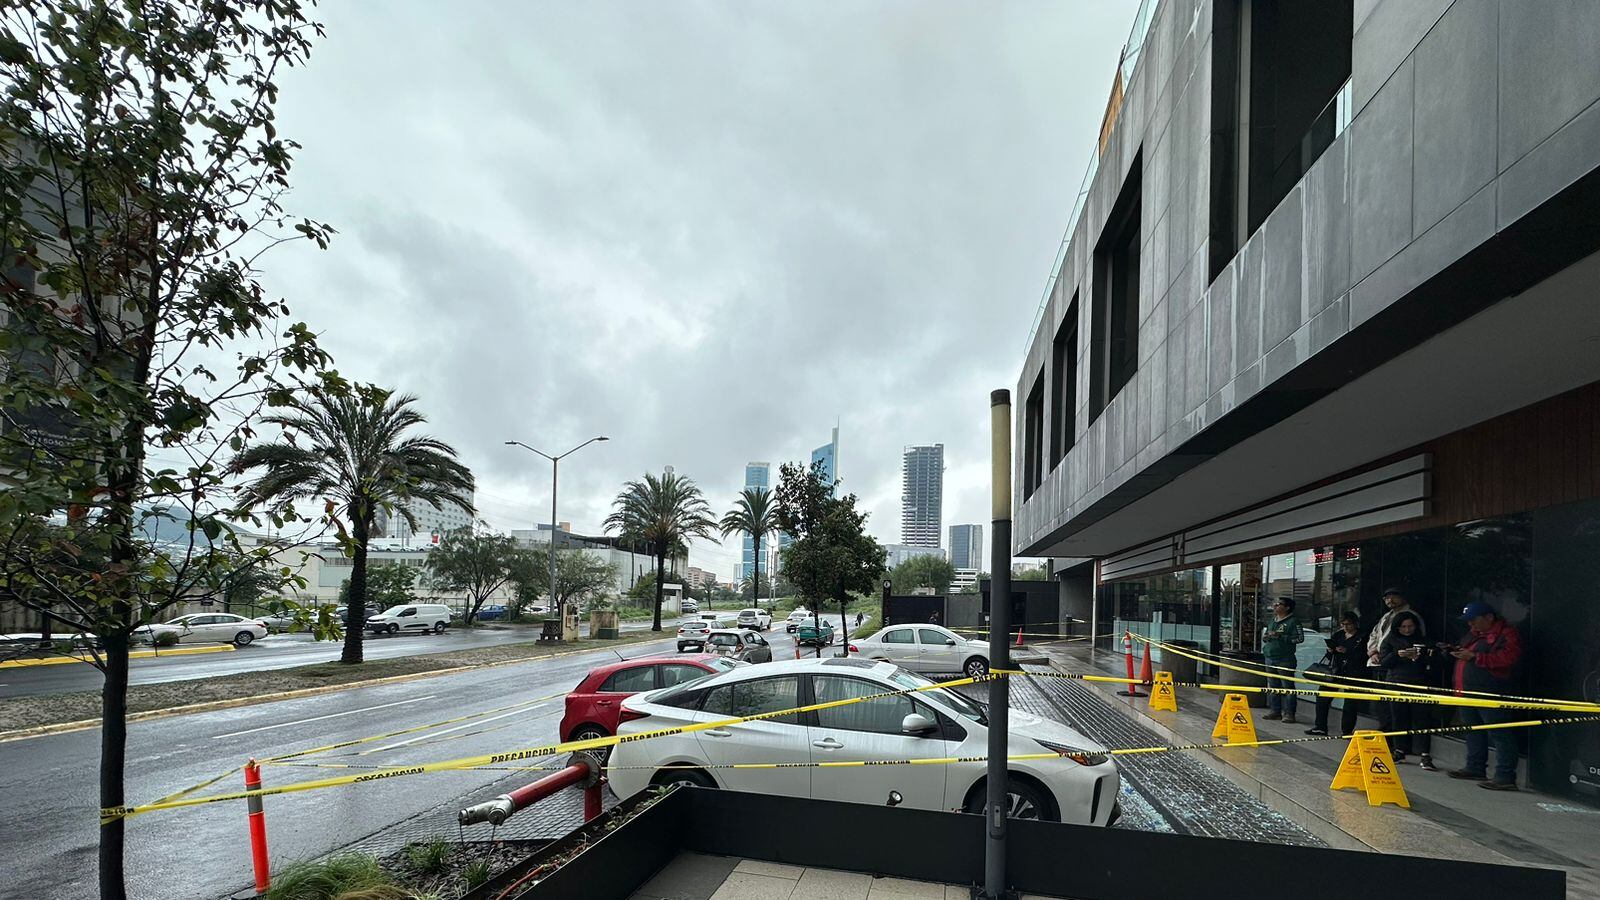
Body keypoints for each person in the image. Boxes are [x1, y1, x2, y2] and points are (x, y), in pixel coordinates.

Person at [1446, 601, 1525, 790]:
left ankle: (1505, 776)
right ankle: (1475, 767)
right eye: (1468, 621)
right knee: (1472, 730)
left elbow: (1508, 659)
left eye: (1474, 620)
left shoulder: (1506, 634)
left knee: (1500, 733)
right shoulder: (1474, 635)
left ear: (1489, 617)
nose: (1470, 625)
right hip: (1466, 690)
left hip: (1490, 691)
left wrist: (1475, 657)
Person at [1378, 611, 1438, 769]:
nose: (1407, 630)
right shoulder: (1390, 640)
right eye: (1403, 627)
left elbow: (1435, 660)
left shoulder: (1423, 640)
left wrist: (1420, 656)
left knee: (1422, 719)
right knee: (1398, 718)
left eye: (1410, 626)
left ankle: (1425, 754)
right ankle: (1399, 750)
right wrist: (1398, 655)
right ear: (1397, 627)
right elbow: (1384, 662)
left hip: (1419, 683)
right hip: (1396, 683)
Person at [1366, 588, 1424, 731]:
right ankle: (1385, 733)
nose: (1389, 601)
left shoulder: (1411, 616)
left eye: (1393, 597)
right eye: (1386, 598)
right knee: (1381, 704)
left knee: (1396, 709)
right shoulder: (1386, 616)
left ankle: (1395, 740)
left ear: (1402, 597)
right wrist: (1372, 651)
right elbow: (1374, 635)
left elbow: (1417, 639)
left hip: (1399, 667)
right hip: (1379, 663)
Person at [1306, 611, 1365, 737]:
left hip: (1353, 672)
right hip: (1335, 670)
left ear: (1355, 624)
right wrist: (1331, 650)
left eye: (1348, 624)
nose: (1345, 627)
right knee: (1322, 697)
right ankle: (1320, 726)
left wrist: (1347, 651)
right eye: (1343, 624)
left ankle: (1347, 730)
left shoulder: (1362, 637)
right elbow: (1329, 654)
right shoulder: (1338, 635)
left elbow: (1364, 656)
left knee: (1350, 702)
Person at [1261, 597, 1304, 723]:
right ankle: (1275, 711)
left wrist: (1282, 637)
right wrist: (1267, 637)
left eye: (1279, 604)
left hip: (1285, 658)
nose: (1275, 606)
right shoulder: (1273, 620)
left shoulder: (1293, 621)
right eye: (1275, 604)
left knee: (1287, 687)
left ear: (1287, 607)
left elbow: (1300, 638)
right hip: (1270, 656)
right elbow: (1268, 635)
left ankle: (1289, 713)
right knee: (1273, 685)